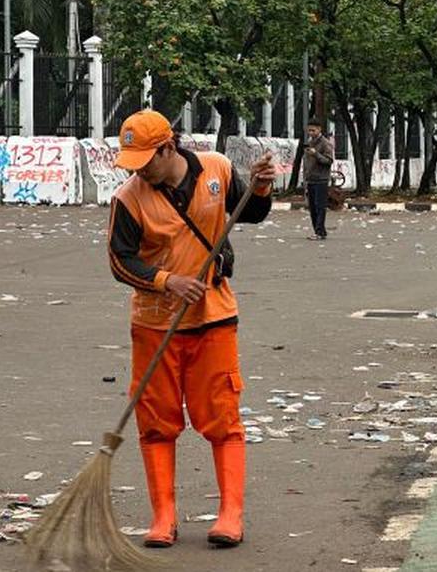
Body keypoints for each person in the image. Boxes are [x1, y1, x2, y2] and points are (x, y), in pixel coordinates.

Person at [107, 110, 275, 549]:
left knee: (222, 418)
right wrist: (167, 281)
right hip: (153, 324)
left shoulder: (216, 168)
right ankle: (164, 517)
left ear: (169, 146)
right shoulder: (129, 198)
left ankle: (230, 514)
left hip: (214, 317)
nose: (140, 168)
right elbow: (120, 260)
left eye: (147, 158)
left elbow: (251, 213)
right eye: (134, 161)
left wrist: (261, 186)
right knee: (157, 423)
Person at [302, 120, 335, 240]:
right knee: (312, 207)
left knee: (320, 206)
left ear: (319, 129)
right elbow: (306, 162)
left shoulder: (325, 143)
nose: (311, 133)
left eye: (313, 130)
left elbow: (329, 161)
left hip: (321, 179)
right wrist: (305, 177)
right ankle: (319, 230)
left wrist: (316, 154)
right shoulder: (310, 143)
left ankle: (319, 232)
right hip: (310, 179)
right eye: (309, 130)